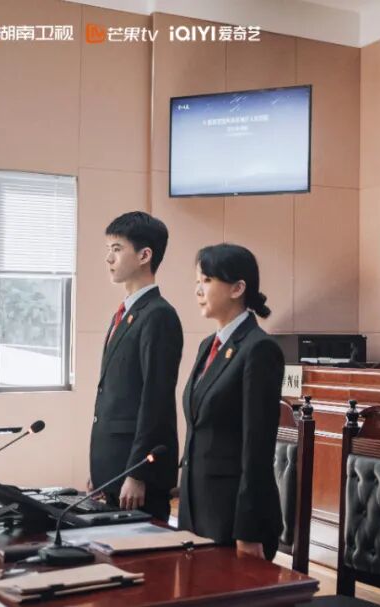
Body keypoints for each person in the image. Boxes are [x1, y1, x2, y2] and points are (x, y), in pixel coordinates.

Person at [178, 243, 285, 560]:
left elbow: (257, 447)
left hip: (233, 517)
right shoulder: (207, 345)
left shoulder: (259, 349)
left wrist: (248, 530)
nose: (198, 290)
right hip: (195, 508)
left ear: (238, 288)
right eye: (197, 281)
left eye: (207, 280)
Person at [89, 212, 182, 521]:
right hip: (113, 468)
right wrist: (100, 468)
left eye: (117, 249)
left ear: (144, 255)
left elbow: (156, 399)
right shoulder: (125, 313)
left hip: (137, 475)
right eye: (108, 249)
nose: (109, 258)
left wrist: (138, 473)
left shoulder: (158, 315)